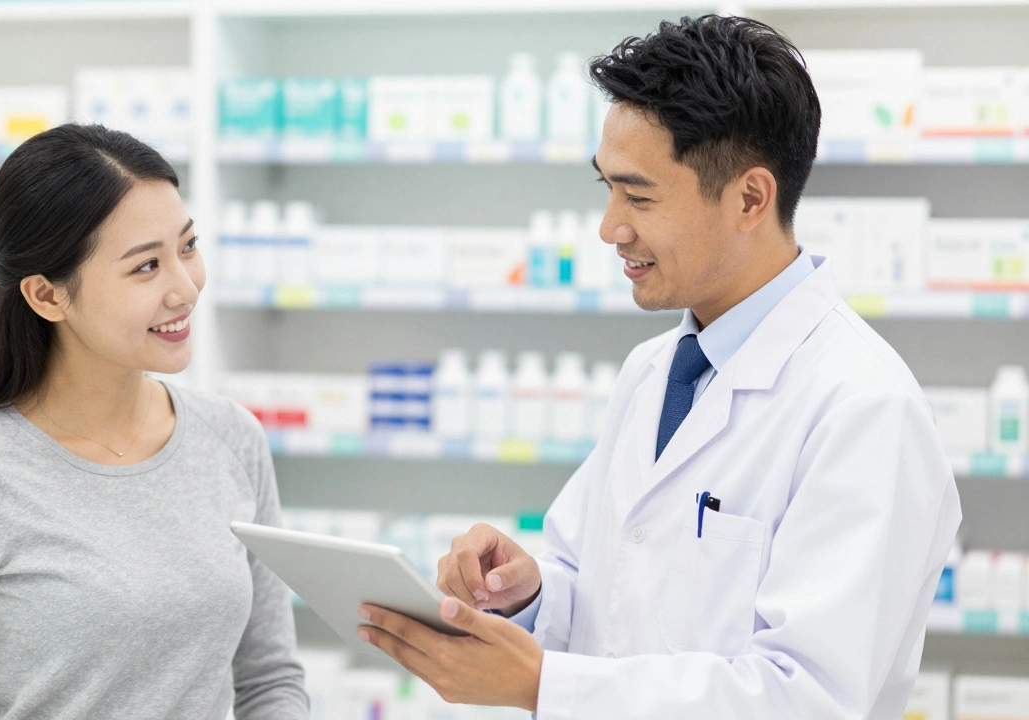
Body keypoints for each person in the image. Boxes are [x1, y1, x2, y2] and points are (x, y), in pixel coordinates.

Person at [356, 15, 961, 719]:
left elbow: (810, 698)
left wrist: (544, 685)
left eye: (639, 196)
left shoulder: (862, 407)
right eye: (607, 188)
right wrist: (529, 594)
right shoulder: (655, 372)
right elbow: (606, 589)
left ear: (750, 198)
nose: (611, 226)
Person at [0, 124, 308, 720]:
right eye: (145, 267)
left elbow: (269, 680)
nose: (185, 288)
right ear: (48, 296)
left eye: (186, 247)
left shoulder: (231, 439)